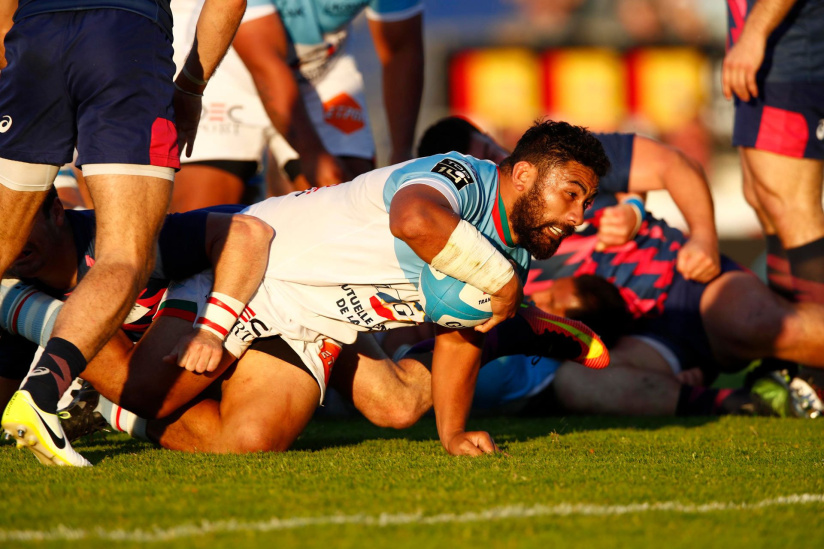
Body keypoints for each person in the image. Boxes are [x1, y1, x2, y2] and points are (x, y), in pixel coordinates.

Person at [12, 120, 609, 459]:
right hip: (254, 270)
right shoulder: (460, 177)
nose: (579, 215)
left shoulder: (515, 249)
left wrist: (452, 434)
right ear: (524, 173)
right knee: (149, 395)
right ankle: (28, 310)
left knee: (358, 416)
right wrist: (500, 283)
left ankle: (515, 331)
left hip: (316, 319)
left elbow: (458, 334)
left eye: (586, 201)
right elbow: (415, 221)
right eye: (572, 193)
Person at [0, 0, 246, 466]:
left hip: (34, 35)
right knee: (125, 256)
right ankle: (41, 395)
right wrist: (190, 88)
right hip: (124, 36)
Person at [0, 191, 273, 464]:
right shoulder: (20, 275)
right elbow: (10, 370)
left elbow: (245, 233)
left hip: (266, 274)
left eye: (23, 220)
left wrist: (210, 331)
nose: (12, 235)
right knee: (249, 438)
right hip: (226, 331)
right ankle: (110, 404)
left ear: (57, 212)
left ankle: (111, 401)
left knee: (152, 387)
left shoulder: (120, 240)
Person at [168, 0, 424, 211]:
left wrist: (401, 152)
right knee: (199, 216)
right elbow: (265, 63)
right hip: (228, 64)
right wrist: (312, 154)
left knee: (348, 206)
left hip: (322, 65)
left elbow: (401, 48)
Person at [723, 0, 824, 304]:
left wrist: (754, 33)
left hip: (789, 61)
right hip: (765, 59)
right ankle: (791, 340)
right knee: (765, 201)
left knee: (790, 206)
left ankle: (815, 342)